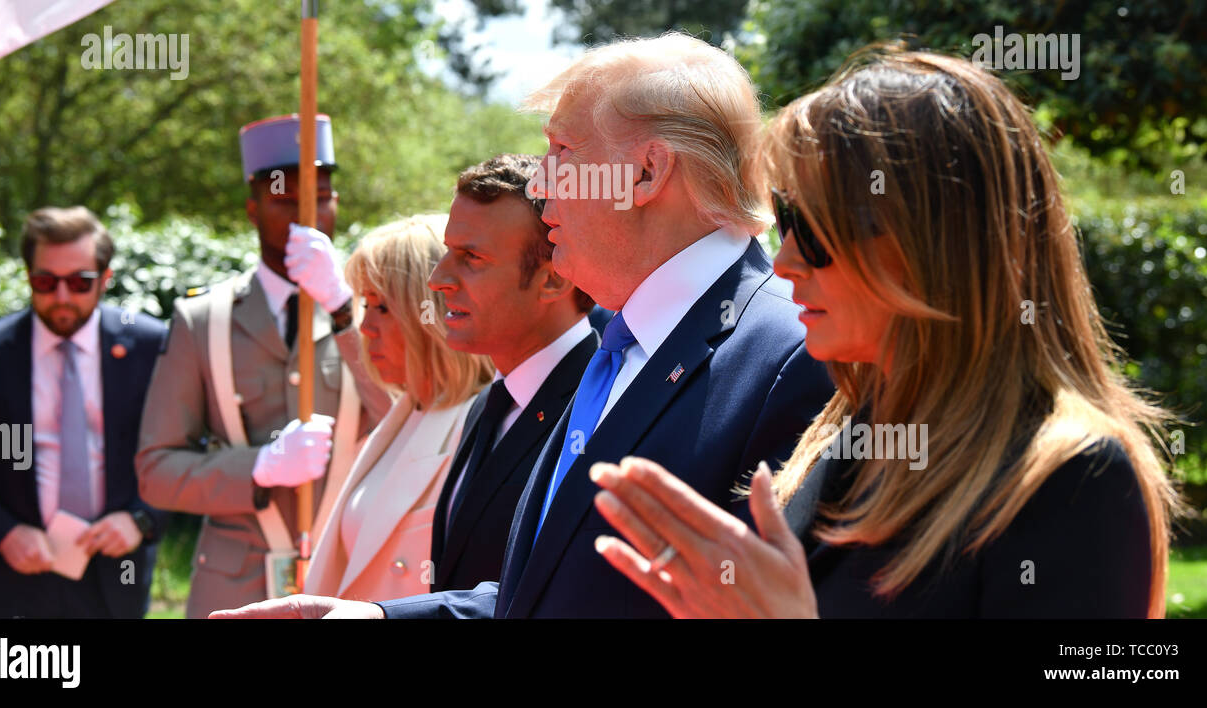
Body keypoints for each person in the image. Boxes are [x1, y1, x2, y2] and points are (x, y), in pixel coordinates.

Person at [212, 31, 835, 619]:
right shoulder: (627, 340)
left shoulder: (796, 355)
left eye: (561, 152)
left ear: (646, 173)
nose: (540, 183)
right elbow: (539, 595)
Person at [587, 44, 1181, 618]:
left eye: (817, 225)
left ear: (935, 242)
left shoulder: (1074, 477)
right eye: (787, 216)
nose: (786, 258)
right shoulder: (844, 432)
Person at [135, 114, 390, 618]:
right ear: (252, 209)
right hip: (236, 588)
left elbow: (409, 417)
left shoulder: (373, 311)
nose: (306, 216)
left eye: (320, 197)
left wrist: (343, 307)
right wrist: (259, 465)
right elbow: (156, 471)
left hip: (353, 580)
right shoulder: (202, 320)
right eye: (284, 201)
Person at [0, 206, 168, 617]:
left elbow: (185, 447)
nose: (62, 297)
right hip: (7, 577)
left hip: (116, 579)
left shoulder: (152, 347)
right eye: (46, 281)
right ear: (28, 277)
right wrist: (3, 534)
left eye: (80, 282)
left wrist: (141, 520)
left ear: (105, 279)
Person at [300, 213, 494, 601]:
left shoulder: (484, 426)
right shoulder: (407, 413)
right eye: (364, 305)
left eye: (383, 308)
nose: (365, 326)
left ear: (433, 312)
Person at [425, 154, 597, 591]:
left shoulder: (601, 408)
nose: (438, 278)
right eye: (448, 251)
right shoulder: (490, 402)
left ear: (555, 279)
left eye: (472, 257)